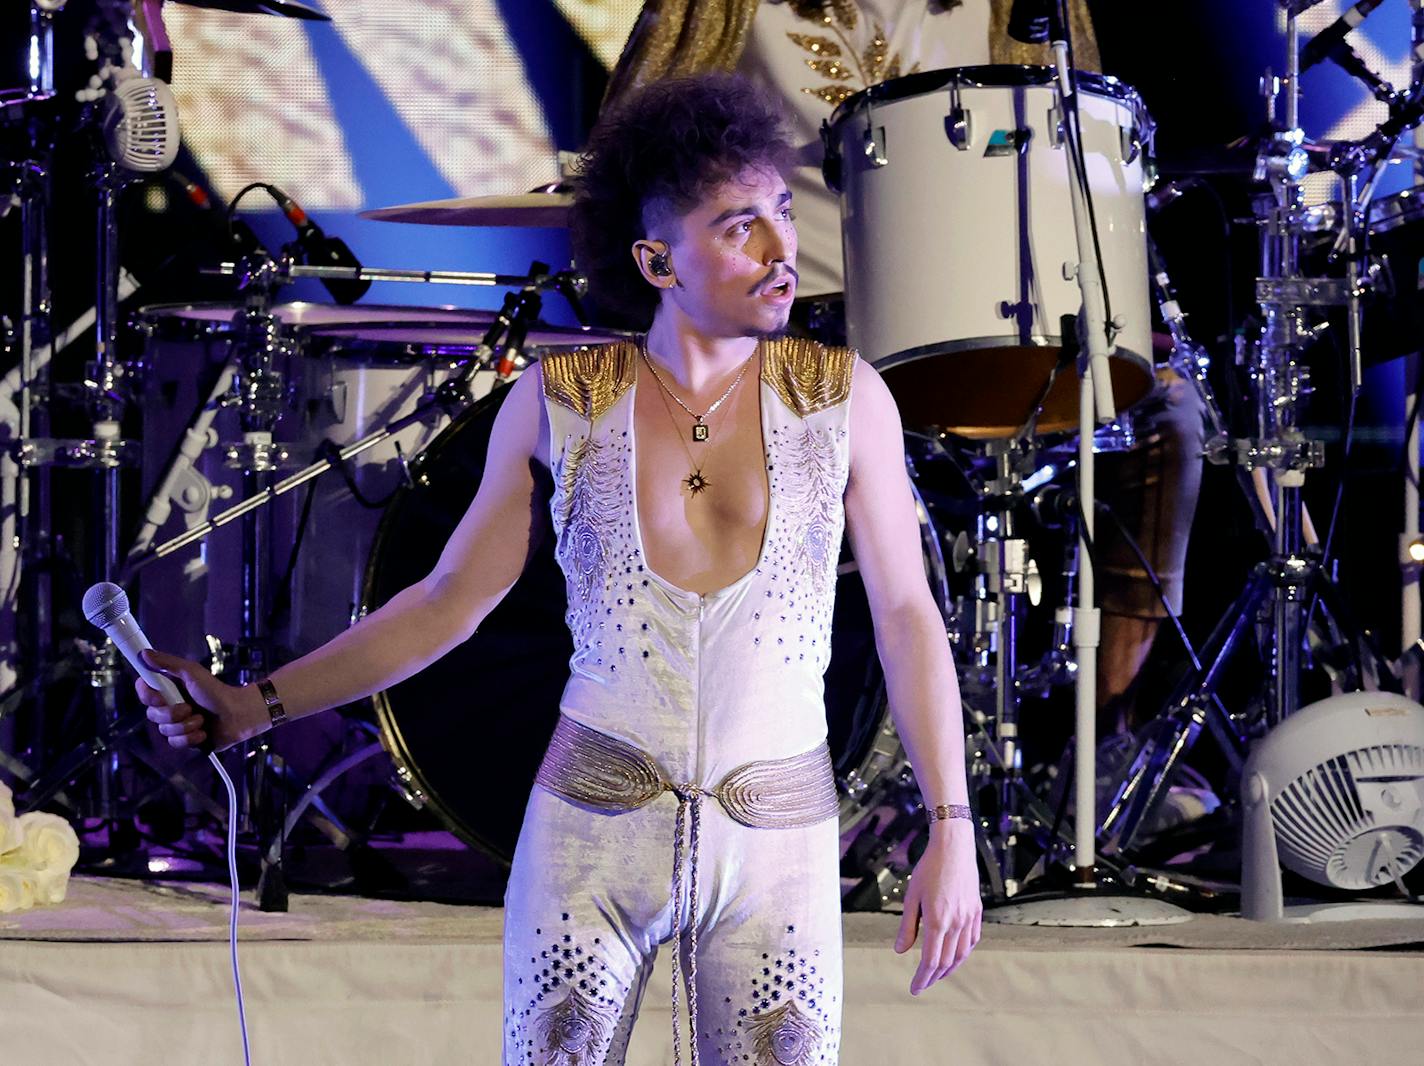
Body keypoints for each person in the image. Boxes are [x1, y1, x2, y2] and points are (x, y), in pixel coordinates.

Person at [137, 73, 981, 1065]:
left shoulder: (847, 400)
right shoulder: (559, 401)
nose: (778, 249)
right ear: (655, 259)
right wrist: (253, 704)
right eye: (738, 224)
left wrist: (949, 823)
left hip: (779, 844)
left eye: (783, 215)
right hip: (588, 834)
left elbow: (905, 613)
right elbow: (447, 601)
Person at [607, 0, 1204, 742]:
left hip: (980, 322)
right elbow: (637, 156)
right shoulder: (728, 8)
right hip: (799, 322)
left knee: (1161, 409)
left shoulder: (1018, 7)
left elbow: (1078, 155)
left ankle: (1113, 740)